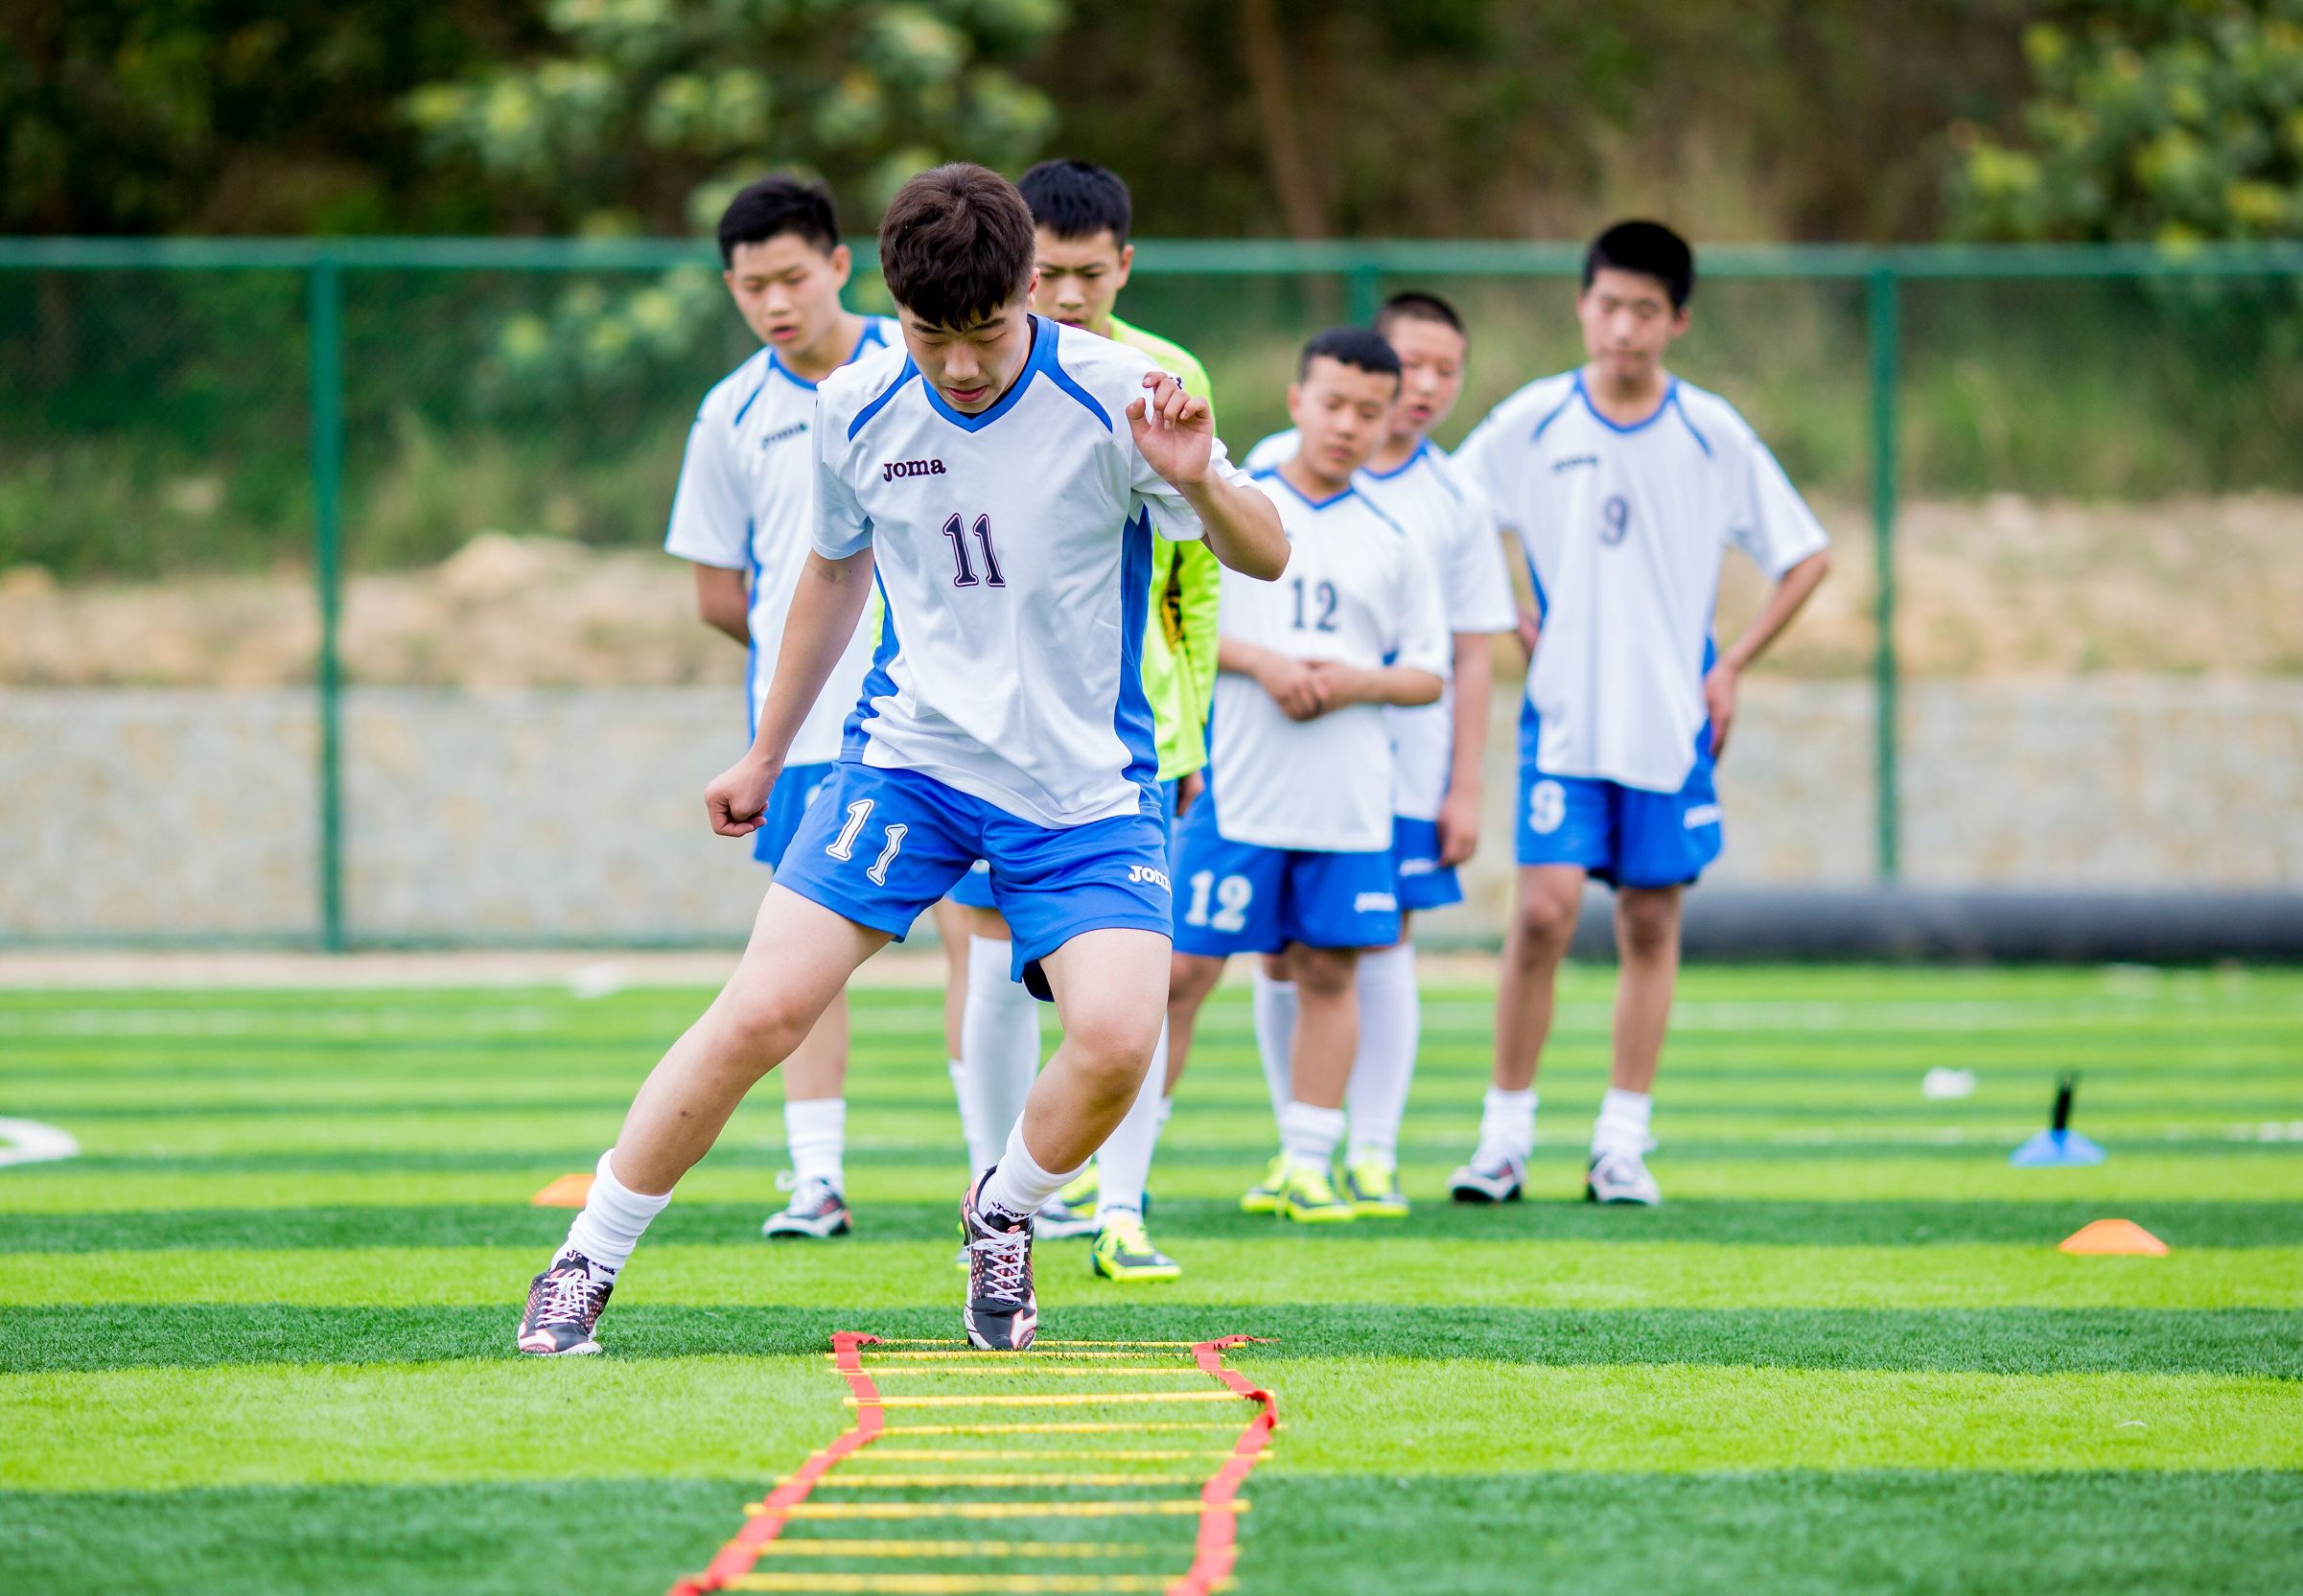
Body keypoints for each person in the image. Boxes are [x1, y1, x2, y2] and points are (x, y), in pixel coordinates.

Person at [516, 163, 1286, 1357]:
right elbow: (832, 573)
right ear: (892, 306)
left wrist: (1198, 482)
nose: (961, 366)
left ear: (1028, 292)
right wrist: (767, 752)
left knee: (1117, 1043)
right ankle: (585, 1259)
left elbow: (1268, 552)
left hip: (1083, 789)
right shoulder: (856, 405)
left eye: (984, 333)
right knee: (761, 1009)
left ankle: (1002, 1210)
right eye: (932, 337)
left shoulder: (1121, 394)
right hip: (908, 767)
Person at [1444, 220, 1830, 1207]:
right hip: (1563, 713)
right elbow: (1446, 513)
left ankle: (1620, 1142)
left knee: (1650, 920)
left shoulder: (1711, 431)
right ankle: (1502, 1139)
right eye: (1608, 305)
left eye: (1645, 311)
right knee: (1541, 913)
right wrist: (1504, 607)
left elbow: (1804, 555)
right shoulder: (1532, 420)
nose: (1623, 327)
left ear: (1677, 321)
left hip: (1668, 719)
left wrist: (1731, 663)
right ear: (1582, 306)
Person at [932, 156, 1225, 1282]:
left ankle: (1121, 1205)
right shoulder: (963, 373)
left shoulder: (1162, 375)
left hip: (1127, 738)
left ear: (1123, 266)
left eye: (1086, 275)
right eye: (1043, 274)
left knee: (1131, 980)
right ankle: (999, 1193)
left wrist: (1191, 723)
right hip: (985, 735)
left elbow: (1195, 579)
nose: (1062, 296)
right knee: (989, 956)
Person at [1239, 291, 1516, 1216]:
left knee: (1379, 939)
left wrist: (1465, 785)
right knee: (1280, 954)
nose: (1426, 386)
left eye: (1447, 371)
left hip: (1402, 764)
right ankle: (1299, 1145)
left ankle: (1374, 1150)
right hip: (1273, 762)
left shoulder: (1455, 499)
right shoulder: (1267, 472)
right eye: (1413, 364)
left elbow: (1469, 651)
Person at [1164, 329, 1451, 1223]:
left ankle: (1307, 1161)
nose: (1348, 425)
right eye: (1333, 404)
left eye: (1370, 411)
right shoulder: (1234, 505)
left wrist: (1356, 681)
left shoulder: (1395, 537)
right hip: (1239, 790)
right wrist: (1265, 664)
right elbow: (1181, 623)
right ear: (1297, 402)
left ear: (1390, 420)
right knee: (1179, 973)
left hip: (1348, 803)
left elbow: (1429, 673)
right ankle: (1115, 1160)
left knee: (1330, 970)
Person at [661, 174, 897, 1242]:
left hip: (942, 718)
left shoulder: (917, 363)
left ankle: (1005, 1182)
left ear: (840, 264)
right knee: (805, 954)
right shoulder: (730, 412)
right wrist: (803, 666)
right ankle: (817, 1178)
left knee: (981, 939)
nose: (774, 302)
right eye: (752, 286)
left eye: (792, 277)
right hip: (805, 733)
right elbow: (720, 592)